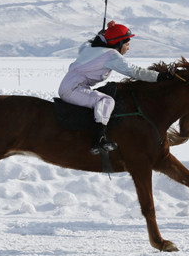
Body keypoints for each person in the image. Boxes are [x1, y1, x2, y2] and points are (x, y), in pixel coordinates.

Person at [58, 20, 172, 155]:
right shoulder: (111, 55)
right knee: (106, 101)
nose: (128, 48)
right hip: (73, 90)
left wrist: (102, 36)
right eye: (127, 44)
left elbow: (87, 43)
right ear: (118, 43)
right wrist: (159, 77)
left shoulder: (90, 47)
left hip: (69, 86)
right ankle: (98, 140)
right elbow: (134, 72)